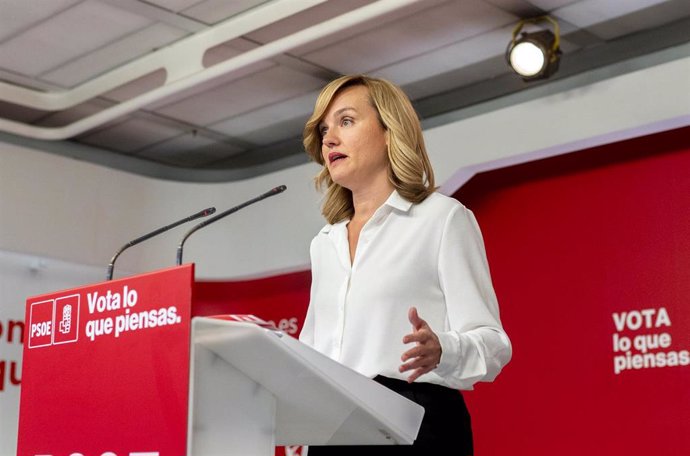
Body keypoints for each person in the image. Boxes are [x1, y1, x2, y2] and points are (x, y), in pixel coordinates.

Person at [299, 75, 512, 455]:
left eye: (346, 121)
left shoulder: (441, 219)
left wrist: (442, 350)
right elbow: (311, 353)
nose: (329, 138)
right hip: (333, 432)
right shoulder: (324, 244)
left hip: (415, 426)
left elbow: (493, 344)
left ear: (388, 131)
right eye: (325, 129)